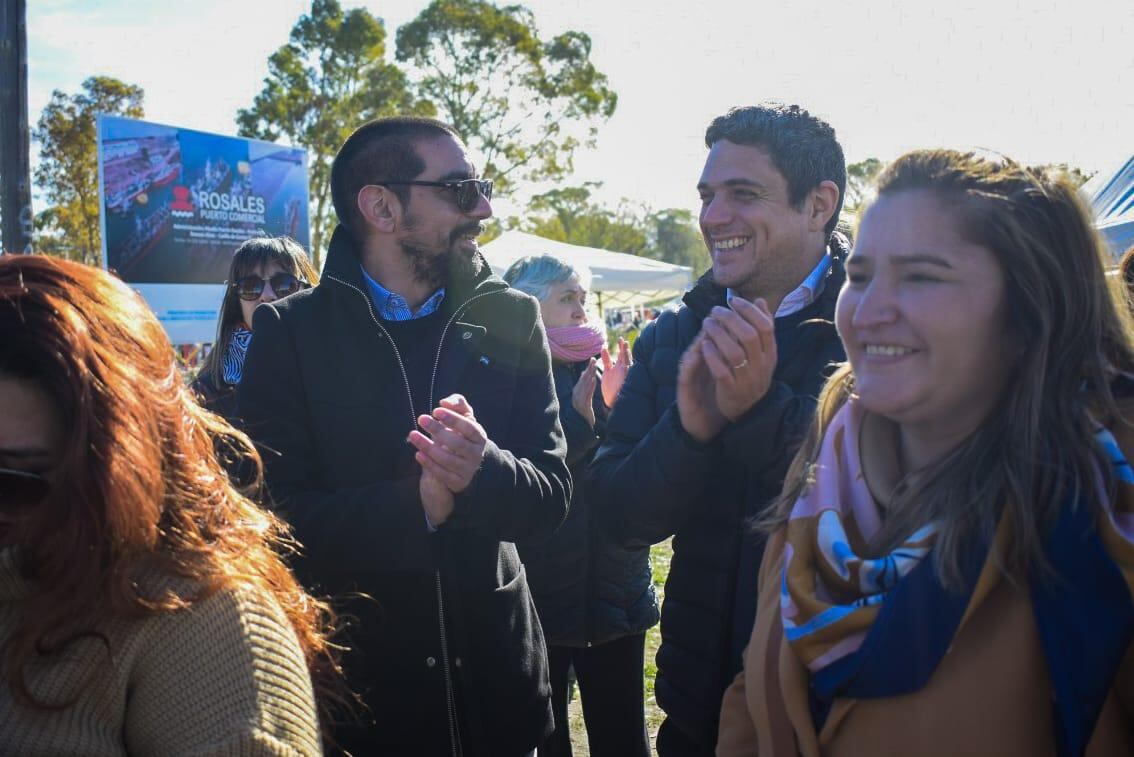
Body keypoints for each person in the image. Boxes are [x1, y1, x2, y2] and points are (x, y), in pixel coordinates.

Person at [717, 149, 1134, 756]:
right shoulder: (825, 468)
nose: (868, 310)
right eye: (859, 276)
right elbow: (753, 692)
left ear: (1028, 307)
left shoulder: (1101, 503)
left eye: (921, 276)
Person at [237, 116, 571, 756]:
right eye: (458, 188)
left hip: (502, 700)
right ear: (381, 206)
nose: (483, 206)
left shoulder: (512, 316)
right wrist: (413, 508)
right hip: (363, 705)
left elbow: (553, 496)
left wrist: (484, 470)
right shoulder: (290, 333)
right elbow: (268, 524)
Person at [587, 103, 849, 756]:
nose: (712, 217)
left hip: (834, 709)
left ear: (819, 205)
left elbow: (888, 499)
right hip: (695, 711)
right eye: (707, 195)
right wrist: (690, 427)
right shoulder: (677, 332)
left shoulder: (872, 329)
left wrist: (758, 412)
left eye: (743, 193)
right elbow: (620, 517)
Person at [0, 254, 337, 755]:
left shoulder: (208, 626)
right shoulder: (210, 379)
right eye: (249, 283)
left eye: (17, 481)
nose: (265, 295)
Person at [504, 254, 654, 757]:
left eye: (582, 298)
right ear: (529, 305)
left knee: (625, 741)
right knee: (547, 742)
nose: (580, 310)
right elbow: (520, 482)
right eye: (566, 298)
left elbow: (634, 475)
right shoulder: (509, 376)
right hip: (545, 595)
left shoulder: (604, 366)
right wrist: (579, 423)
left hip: (616, 591)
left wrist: (619, 413)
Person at [193, 236, 318, 424]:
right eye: (250, 286)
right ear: (237, 302)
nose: (267, 296)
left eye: (284, 284)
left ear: (308, 292)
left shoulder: (340, 367)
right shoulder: (206, 394)